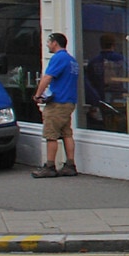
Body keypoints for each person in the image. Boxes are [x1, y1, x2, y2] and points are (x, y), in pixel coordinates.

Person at [31, 32, 79, 178]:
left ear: (55, 43)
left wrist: (38, 94)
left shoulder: (58, 58)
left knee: (51, 134)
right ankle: (70, 164)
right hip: (69, 101)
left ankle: (50, 166)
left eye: (48, 41)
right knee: (66, 133)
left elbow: (47, 77)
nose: (47, 44)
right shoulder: (71, 60)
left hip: (57, 102)